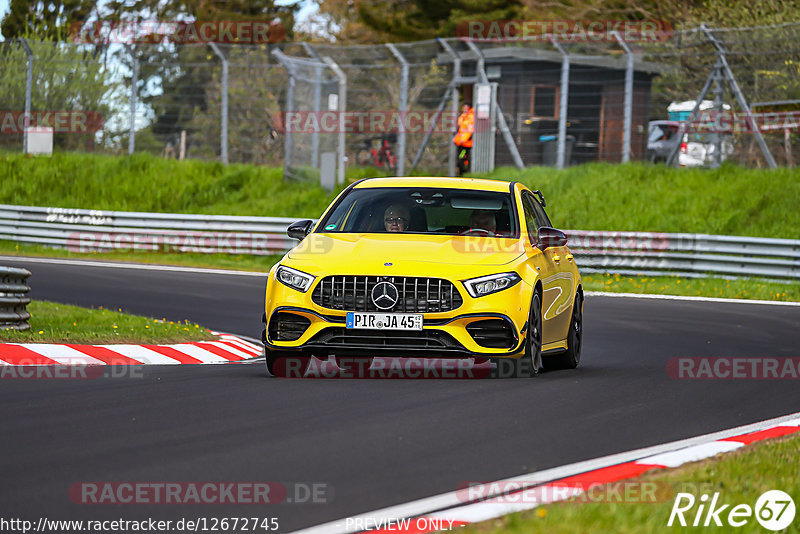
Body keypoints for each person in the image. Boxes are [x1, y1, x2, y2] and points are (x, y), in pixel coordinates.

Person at [453, 103, 474, 176]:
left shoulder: (470, 118)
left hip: (466, 144)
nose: (464, 109)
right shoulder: (462, 117)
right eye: (463, 107)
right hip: (461, 143)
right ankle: (462, 171)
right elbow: (460, 130)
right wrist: (456, 139)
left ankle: (464, 172)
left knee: (462, 157)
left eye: (466, 107)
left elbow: (469, 131)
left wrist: (463, 140)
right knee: (460, 157)